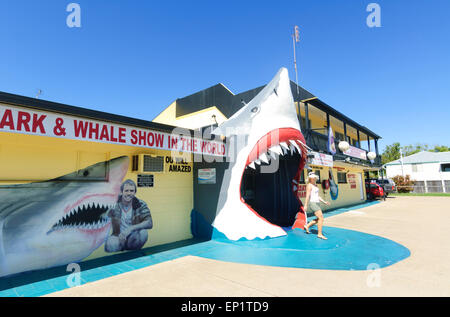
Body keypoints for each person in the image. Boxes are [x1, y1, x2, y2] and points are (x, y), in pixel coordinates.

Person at [104, 179, 153, 252]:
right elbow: (102, 215)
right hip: (118, 236)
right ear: (121, 192)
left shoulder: (140, 204)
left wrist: (130, 229)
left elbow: (149, 222)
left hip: (133, 237)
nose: (129, 193)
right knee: (110, 245)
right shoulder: (113, 203)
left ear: (135, 192)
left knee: (143, 233)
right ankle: (118, 257)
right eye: (126, 190)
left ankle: (133, 254)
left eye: (131, 191)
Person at [302, 172, 330, 240]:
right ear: (310, 178)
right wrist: (305, 205)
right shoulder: (309, 185)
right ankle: (319, 234)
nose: (314, 178)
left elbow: (317, 196)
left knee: (318, 219)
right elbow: (307, 196)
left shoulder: (315, 185)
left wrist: (324, 202)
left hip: (317, 203)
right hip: (313, 203)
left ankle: (307, 226)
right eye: (312, 177)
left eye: (314, 177)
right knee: (321, 218)